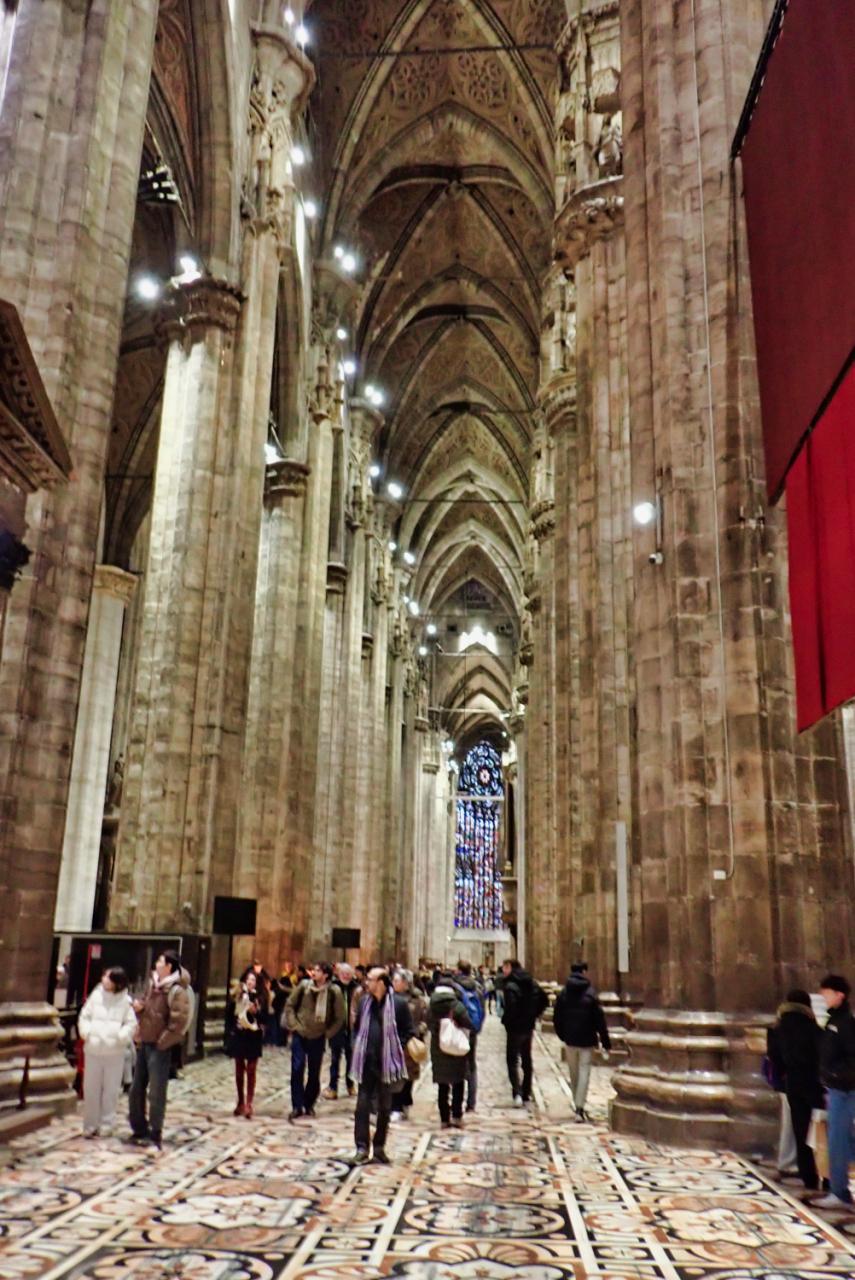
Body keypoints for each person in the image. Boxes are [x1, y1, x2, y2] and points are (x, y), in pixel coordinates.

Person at [349, 967, 414, 1164]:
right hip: (366, 1062)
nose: (366, 982)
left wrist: (396, 1048)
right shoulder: (364, 1002)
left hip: (387, 1064)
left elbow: (408, 1030)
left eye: (370, 979)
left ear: (382, 983)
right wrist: (356, 1046)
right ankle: (361, 1147)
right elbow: (356, 1028)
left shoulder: (399, 1004)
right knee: (362, 1107)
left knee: (385, 1108)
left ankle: (379, 1147)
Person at [128, 951, 192, 1149]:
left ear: (169, 966)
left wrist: (163, 1042)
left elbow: (179, 1020)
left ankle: (155, 1129)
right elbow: (148, 1008)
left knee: (156, 1090)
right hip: (144, 1041)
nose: (156, 964)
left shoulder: (176, 990)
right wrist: (140, 1010)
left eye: (160, 961)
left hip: (159, 1046)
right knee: (136, 1088)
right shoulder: (152, 984)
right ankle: (139, 1126)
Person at [767, 988, 823, 1191]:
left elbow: (774, 1057)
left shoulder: (777, 1028)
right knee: (821, 1129)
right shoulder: (813, 1027)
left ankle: (808, 1176)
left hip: (793, 1083)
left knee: (800, 1130)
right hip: (815, 1083)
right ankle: (826, 1175)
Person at [78, 967, 137, 1137]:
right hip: (94, 1049)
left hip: (114, 1051)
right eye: (104, 976)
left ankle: (107, 1123)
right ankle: (90, 1124)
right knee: (91, 1089)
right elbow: (84, 1016)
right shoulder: (96, 996)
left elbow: (131, 1024)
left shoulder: (125, 1001)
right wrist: (87, 1032)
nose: (104, 979)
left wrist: (120, 1037)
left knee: (111, 1090)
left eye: (108, 977)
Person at [284, 961, 345, 1122]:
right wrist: (294, 1025)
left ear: (325, 975)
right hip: (300, 1033)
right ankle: (297, 1105)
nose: (314, 973)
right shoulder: (304, 986)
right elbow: (290, 1005)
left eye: (317, 970)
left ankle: (309, 1103)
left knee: (314, 1071)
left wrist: (327, 1033)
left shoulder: (333, 991)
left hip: (318, 1036)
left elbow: (339, 1017)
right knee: (297, 1068)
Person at [815, 974, 855, 1210]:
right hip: (837, 1087)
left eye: (827, 993)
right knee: (841, 1140)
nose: (823, 997)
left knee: (838, 1141)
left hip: (844, 1089)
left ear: (839, 994)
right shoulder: (835, 1020)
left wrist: (836, 1075)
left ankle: (839, 1192)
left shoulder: (845, 1023)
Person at [553, 962, 611, 1122]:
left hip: (570, 1039)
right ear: (584, 972)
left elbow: (557, 1017)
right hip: (587, 1039)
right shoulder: (591, 993)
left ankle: (576, 1103)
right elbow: (600, 1020)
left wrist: (562, 1035)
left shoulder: (564, 993)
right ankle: (579, 1107)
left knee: (574, 1072)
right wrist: (605, 1041)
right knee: (584, 1071)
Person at [428, 971, 473, 1128]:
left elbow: (428, 1023)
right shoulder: (456, 1005)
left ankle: (444, 1118)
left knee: (443, 1085)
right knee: (458, 1082)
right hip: (456, 1047)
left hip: (438, 1048)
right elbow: (468, 1022)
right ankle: (456, 1115)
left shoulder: (432, 1004)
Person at [501, 958, 547, 1108]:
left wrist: (507, 1021)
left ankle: (517, 1093)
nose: (503, 971)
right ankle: (526, 1091)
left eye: (504, 967)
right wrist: (534, 1015)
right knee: (526, 1059)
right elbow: (544, 999)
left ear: (510, 967)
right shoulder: (531, 982)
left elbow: (511, 1007)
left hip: (515, 1028)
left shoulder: (510, 985)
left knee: (512, 1061)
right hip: (528, 1027)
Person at [225, 969, 264, 1118]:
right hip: (239, 1036)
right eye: (248, 979)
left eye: (253, 980)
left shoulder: (260, 997)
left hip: (254, 1036)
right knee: (239, 1069)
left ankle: (249, 1103)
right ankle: (240, 1101)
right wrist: (231, 1031)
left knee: (251, 1069)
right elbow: (229, 1015)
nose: (250, 982)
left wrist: (256, 1012)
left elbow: (265, 1017)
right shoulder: (237, 996)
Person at [391, 967, 427, 1120]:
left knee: (409, 1075)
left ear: (406, 983)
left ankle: (405, 1100)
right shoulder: (389, 998)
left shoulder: (417, 1000)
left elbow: (425, 1019)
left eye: (397, 980)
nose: (394, 983)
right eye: (393, 980)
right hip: (394, 1041)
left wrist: (418, 1030)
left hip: (411, 1042)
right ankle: (396, 1106)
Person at [324, 963, 360, 1099]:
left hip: (351, 1028)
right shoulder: (333, 987)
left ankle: (350, 1084)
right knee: (335, 1059)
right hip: (336, 1028)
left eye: (348, 974)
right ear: (339, 974)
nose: (346, 976)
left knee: (351, 1059)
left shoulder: (356, 988)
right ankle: (333, 1086)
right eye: (343, 973)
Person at [455, 961, 485, 1113]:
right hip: (471, 1031)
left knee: (456, 1065)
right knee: (471, 1065)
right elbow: (482, 1012)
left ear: (459, 971)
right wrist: (476, 1029)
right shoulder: (477, 988)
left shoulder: (455, 988)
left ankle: (456, 1103)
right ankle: (471, 1102)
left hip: (457, 1030)